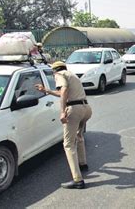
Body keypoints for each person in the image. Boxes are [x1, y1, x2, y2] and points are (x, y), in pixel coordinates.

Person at [35, 61, 92, 189]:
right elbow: (63, 92)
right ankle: (83, 164)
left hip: (74, 110)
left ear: (54, 70)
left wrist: (62, 112)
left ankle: (77, 180)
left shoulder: (59, 74)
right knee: (79, 135)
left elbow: (64, 90)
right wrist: (47, 91)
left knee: (68, 144)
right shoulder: (71, 75)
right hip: (85, 108)